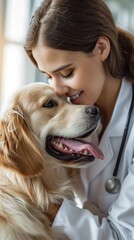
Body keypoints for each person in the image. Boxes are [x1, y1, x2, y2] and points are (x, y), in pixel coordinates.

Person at [24, 0, 134, 239]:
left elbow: (123, 235)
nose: (57, 89)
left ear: (101, 49)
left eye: (66, 73)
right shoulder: (74, 113)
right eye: (48, 76)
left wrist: (46, 206)